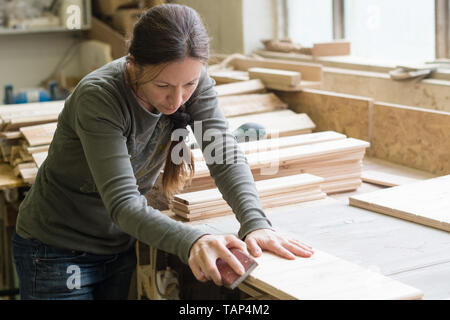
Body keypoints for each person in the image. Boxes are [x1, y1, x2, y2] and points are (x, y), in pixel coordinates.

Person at [12, 4, 314, 300]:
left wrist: (255, 223)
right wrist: (194, 239)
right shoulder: (100, 97)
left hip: (119, 244)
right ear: (133, 63)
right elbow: (123, 204)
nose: (177, 99)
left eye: (189, 84)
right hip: (56, 250)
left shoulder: (193, 83)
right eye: (163, 85)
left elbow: (222, 152)